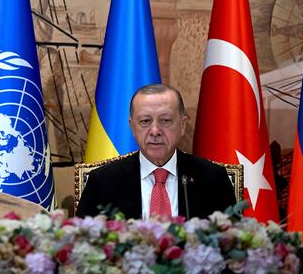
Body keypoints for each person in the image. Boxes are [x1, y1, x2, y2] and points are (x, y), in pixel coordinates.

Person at [77, 84, 236, 219]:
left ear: (182, 125)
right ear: (132, 127)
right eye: (145, 121)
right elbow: (84, 246)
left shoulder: (213, 178)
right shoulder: (103, 181)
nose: (155, 131)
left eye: (165, 120)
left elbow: (231, 244)